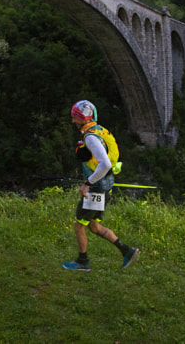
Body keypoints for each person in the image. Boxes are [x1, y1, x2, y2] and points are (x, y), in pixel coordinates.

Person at [62, 100, 139, 272]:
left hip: (96, 188)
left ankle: (83, 262)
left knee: (79, 226)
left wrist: (87, 183)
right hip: (106, 186)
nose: (73, 121)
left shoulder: (90, 137)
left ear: (83, 119)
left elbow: (105, 164)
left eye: (75, 117)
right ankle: (127, 251)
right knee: (94, 226)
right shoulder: (100, 130)